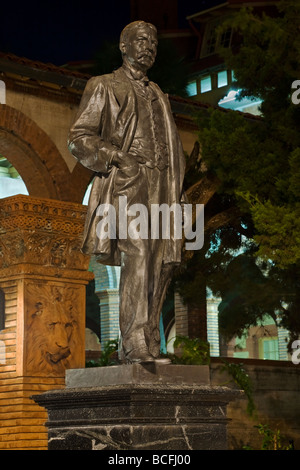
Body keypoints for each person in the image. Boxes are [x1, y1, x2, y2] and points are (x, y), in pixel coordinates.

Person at [68, 21, 186, 364]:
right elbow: (79, 138)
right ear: (124, 45)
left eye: (153, 42)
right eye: (141, 40)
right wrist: (116, 157)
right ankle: (134, 340)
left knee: (160, 260)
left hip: (161, 185)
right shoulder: (104, 85)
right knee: (138, 254)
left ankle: (147, 338)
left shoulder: (160, 95)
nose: (148, 46)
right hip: (127, 183)